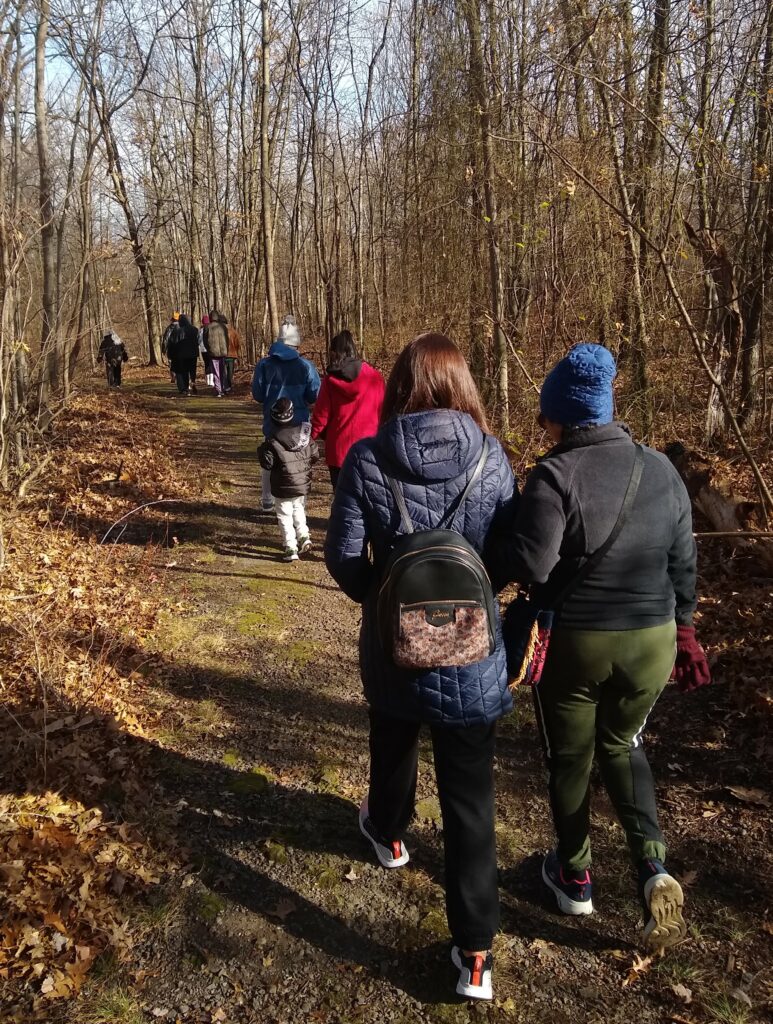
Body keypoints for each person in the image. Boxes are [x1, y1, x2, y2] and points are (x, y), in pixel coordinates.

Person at [324, 333, 518, 1002]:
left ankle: (387, 832)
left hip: (393, 646)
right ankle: (474, 958)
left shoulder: (366, 458)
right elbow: (508, 554)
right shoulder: (492, 458)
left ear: (399, 385)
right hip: (470, 651)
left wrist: (384, 599)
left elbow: (344, 558)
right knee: (471, 807)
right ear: (462, 386)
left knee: (393, 739)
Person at [498, 343, 710, 950]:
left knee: (571, 758)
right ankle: (652, 866)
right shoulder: (661, 470)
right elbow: (683, 561)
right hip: (654, 641)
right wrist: (687, 625)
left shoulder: (554, 474)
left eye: (546, 414)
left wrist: (500, 546)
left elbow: (533, 565)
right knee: (623, 743)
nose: (544, 425)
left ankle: (576, 877)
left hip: (579, 643)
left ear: (563, 414)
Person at [252, 314, 320, 512]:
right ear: (296, 344)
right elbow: (314, 394)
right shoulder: (306, 366)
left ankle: (267, 500)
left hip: (273, 422)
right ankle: (299, 505)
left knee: (269, 458)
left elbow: (257, 394)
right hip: (299, 423)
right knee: (300, 461)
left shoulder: (264, 365)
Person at [311, 330, 385, 491]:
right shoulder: (375, 378)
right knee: (367, 500)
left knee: (342, 500)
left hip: (339, 452)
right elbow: (383, 413)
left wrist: (308, 438)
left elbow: (321, 417)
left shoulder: (330, 381)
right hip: (369, 450)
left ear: (334, 353)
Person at [257, 398, 319, 562]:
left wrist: (261, 451)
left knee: (284, 515)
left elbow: (267, 464)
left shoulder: (272, 442)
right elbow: (315, 454)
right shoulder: (303, 436)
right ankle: (304, 536)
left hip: (282, 486)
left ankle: (290, 546)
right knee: (298, 508)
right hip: (301, 483)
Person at [168, 314, 199, 396]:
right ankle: (193, 381)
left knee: (183, 371)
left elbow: (172, 343)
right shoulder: (195, 330)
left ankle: (185, 388)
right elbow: (198, 341)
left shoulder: (177, 331)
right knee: (192, 370)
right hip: (193, 354)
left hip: (182, 355)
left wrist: (170, 354)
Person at [205, 309, 230, 397]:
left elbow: (205, 341)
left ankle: (219, 390)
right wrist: (226, 349)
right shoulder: (223, 327)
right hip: (223, 352)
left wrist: (209, 350)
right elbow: (227, 339)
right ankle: (223, 388)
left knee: (216, 372)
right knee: (222, 371)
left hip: (213, 353)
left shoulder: (207, 327)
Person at [162, 312, 180, 383]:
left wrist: (164, 349)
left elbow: (165, 339)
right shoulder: (182, 327)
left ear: (172, 319)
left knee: (171, 363)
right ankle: (178, 377)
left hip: (171, 349)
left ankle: (173, 377)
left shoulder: (169, 328)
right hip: (179, 349)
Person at [225, 320, 241, 394]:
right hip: (231, 355)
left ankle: (226, 387)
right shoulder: (234, 332)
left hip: (223, 355)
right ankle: (230, 387)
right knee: (230, 373)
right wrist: (236, 353)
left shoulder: (223, 332)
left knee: (224, 372)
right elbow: (237, 344)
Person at [199, 315, 213, 387]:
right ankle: (211, 381)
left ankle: (207, 380)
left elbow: (198, 340)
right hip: (209, 349)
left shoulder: (200, 330)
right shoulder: (211, 329)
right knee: (210, 364)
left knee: (206, 364)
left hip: (203, 350)